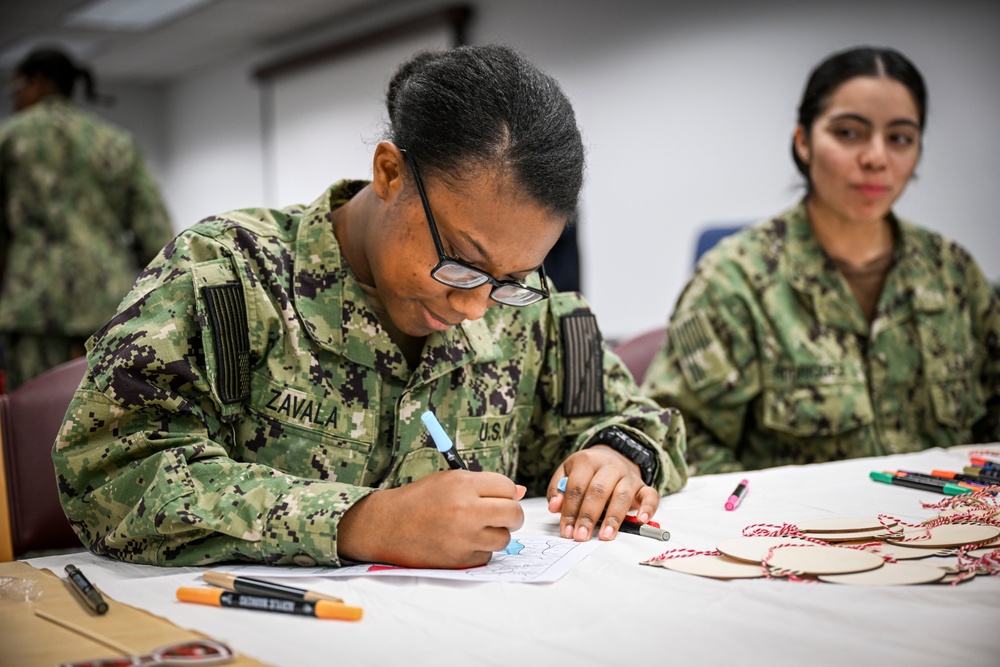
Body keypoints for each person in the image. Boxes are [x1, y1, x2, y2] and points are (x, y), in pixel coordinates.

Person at [53, 45, 688, 568]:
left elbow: (640, 421)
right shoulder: (226, 277)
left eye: (512, 277)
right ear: (389, 174)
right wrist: (360, 521)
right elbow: (112, 473)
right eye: (461, 261)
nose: (476, 306)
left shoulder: (533, 314)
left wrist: (617, 455)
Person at [642, 46, 999, 474]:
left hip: (948, 510)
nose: (876, 158)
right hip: (792, 517)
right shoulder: (735, 279)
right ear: (804, 142)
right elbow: (679, 436)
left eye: (900, 138)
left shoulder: (952, 272)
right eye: (849, 132)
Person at [0, 47, 173, 391]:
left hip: (35, 306)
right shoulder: (115, 142)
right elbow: (157, 236)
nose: (15, 97)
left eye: (17, 86)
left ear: (37, 81)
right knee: (105, 410)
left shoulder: (9, 138)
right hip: (109, 305)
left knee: (33, 412)